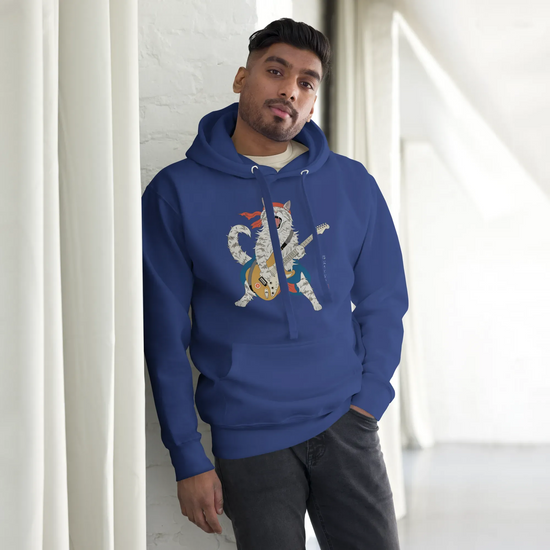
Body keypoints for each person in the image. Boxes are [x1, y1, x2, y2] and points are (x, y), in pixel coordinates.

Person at [142, 17, 408, 550]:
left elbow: (384, 299)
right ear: (242, 78)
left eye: (307, 82)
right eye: (276, 71)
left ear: (312, 104)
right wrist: (188, 457)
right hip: (248, 438)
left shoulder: (352, 184)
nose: (290, 89)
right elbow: (163, 335)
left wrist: (370, 399)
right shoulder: (176, 193)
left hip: (345, 421)